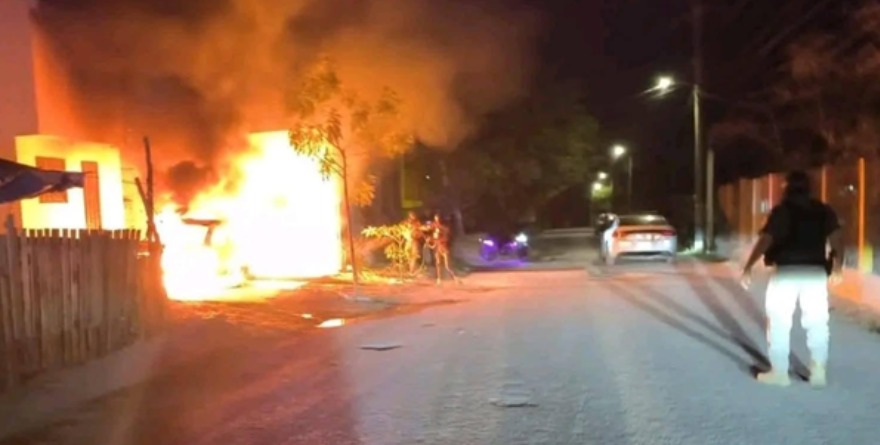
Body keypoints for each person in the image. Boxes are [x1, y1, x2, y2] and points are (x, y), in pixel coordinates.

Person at [741, 170, 843, 388]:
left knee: (779, 322)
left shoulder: (782, 212)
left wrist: (749, 265)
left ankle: (779, 373)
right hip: (815, 273)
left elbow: (766, 239)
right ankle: (818, 372)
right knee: (817, 323)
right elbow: (837, 239)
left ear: (786, 188)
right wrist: (838, 267)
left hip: (786, 272)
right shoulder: (824, 211)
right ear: (810, 188)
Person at [426, 213, 459, 285]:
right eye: (435, 219)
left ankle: (455, 278)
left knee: (447, 266)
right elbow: (432, 239)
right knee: (438, 264)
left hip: (443, 248)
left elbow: (445, 237)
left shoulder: (444, 229)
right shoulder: (435, 231)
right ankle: (439, 279)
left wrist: (438, 231)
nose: (436, 221)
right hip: (437, 248)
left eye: (437, 219)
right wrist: (430, 240)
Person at [402, 211, 423, 275]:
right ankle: (410, 267)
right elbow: (402, 228)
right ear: (409, 215)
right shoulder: (405, 222)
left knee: (414, 255)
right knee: (406, 253)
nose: (412, 216)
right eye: (411, 215)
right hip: (408, 240)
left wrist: (417, 234)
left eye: (413, 215)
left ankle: (411, 270)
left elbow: (420, 231)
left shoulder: (417, 223)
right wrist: (405, 234)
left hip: (414, 241)